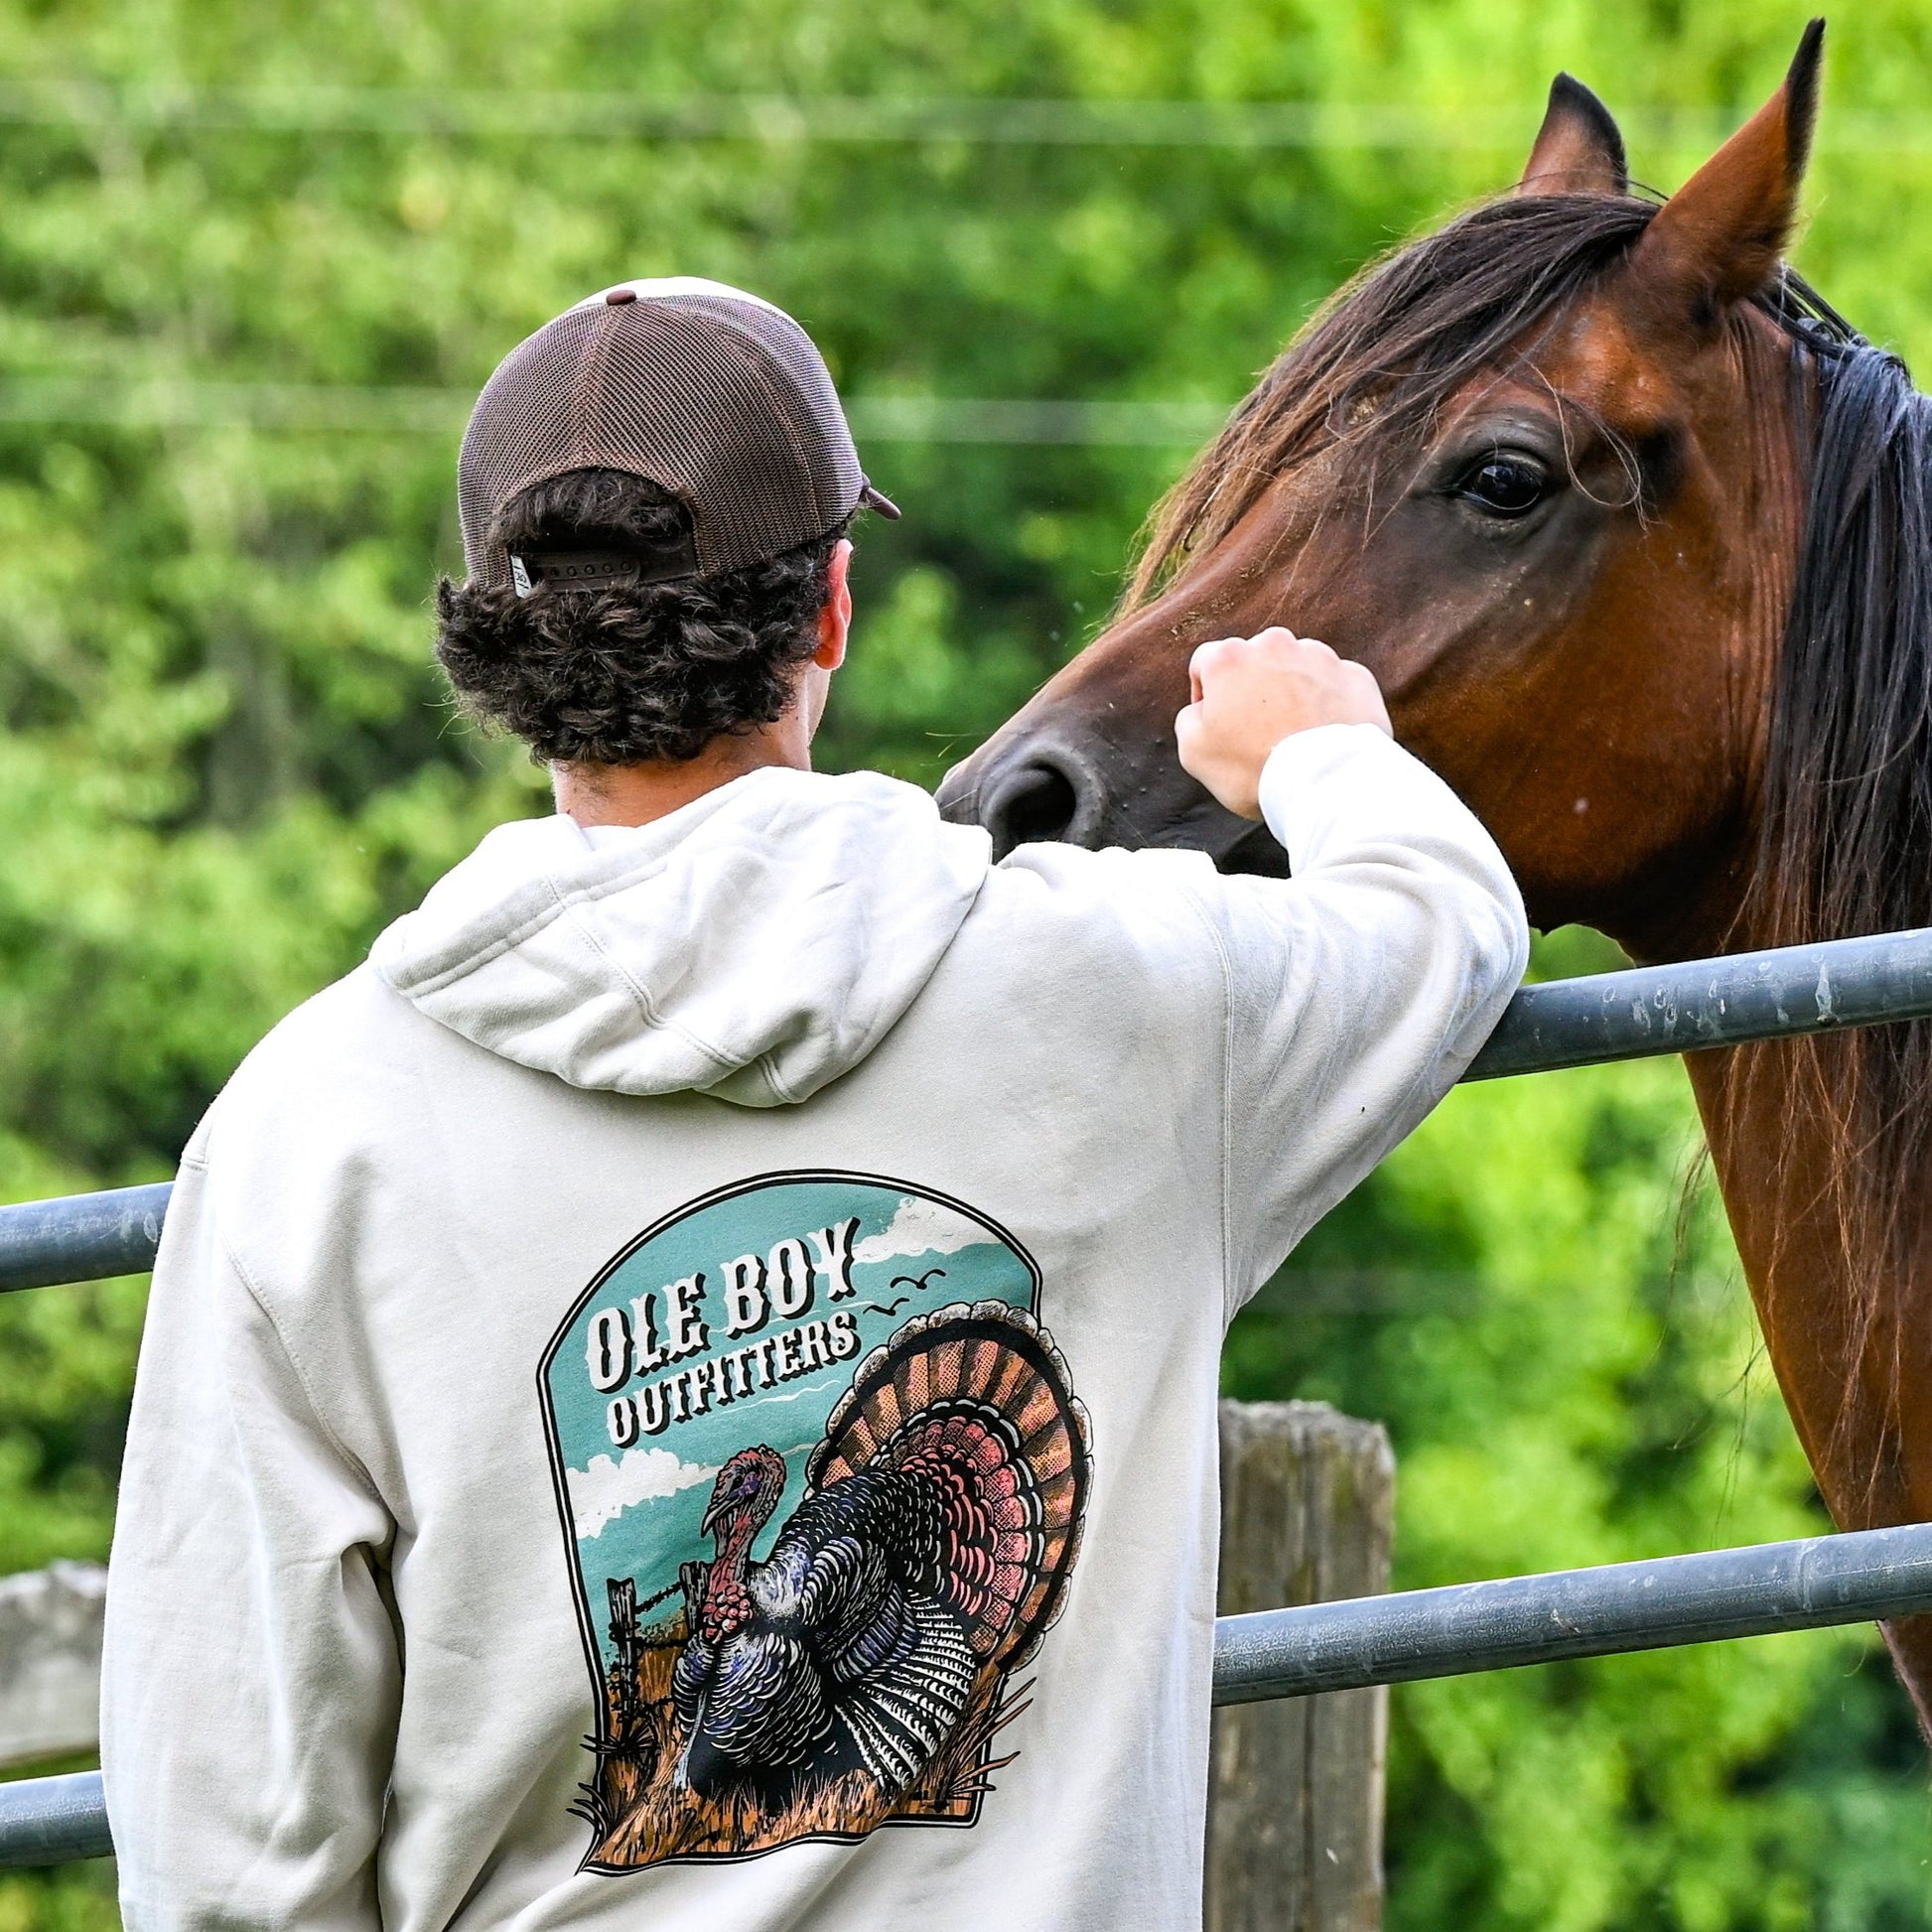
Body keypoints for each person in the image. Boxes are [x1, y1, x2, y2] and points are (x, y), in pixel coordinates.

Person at [101, 277, 1527, 1932]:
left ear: (500, 662)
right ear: (831, 612)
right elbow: (1445, 926)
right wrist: (1317, 752)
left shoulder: (302, 1137)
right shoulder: (1127, 996)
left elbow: (228, 1854)